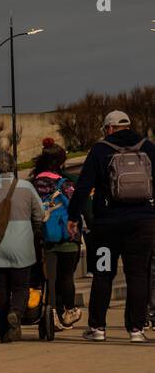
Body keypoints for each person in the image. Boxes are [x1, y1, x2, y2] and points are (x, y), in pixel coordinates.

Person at [69, 111, 155, 342]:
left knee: (103, 273)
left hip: (107, 227)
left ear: (108, 128)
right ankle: (136, 330)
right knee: (137, 275)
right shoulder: (148, 147)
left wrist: (73, 217)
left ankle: (97, 328)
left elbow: (83, 187)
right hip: (142, 224)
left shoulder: (100, 150)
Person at [0, 150, 45, 343]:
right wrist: (36, 230)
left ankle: (3, 329)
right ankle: (15, 312)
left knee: (0, 287)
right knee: (21, 286)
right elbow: (39, 215)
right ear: (13, 166)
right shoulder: (26, 187)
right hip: (22, 245)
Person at [31, 145, 83, 331]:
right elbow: (76, 207)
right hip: (67, 238)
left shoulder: (32, 185)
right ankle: (68, 310)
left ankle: (50, 311)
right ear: (61, 163)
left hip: (44, 239)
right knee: (66, 277)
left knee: (50, 279)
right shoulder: (65, 184)